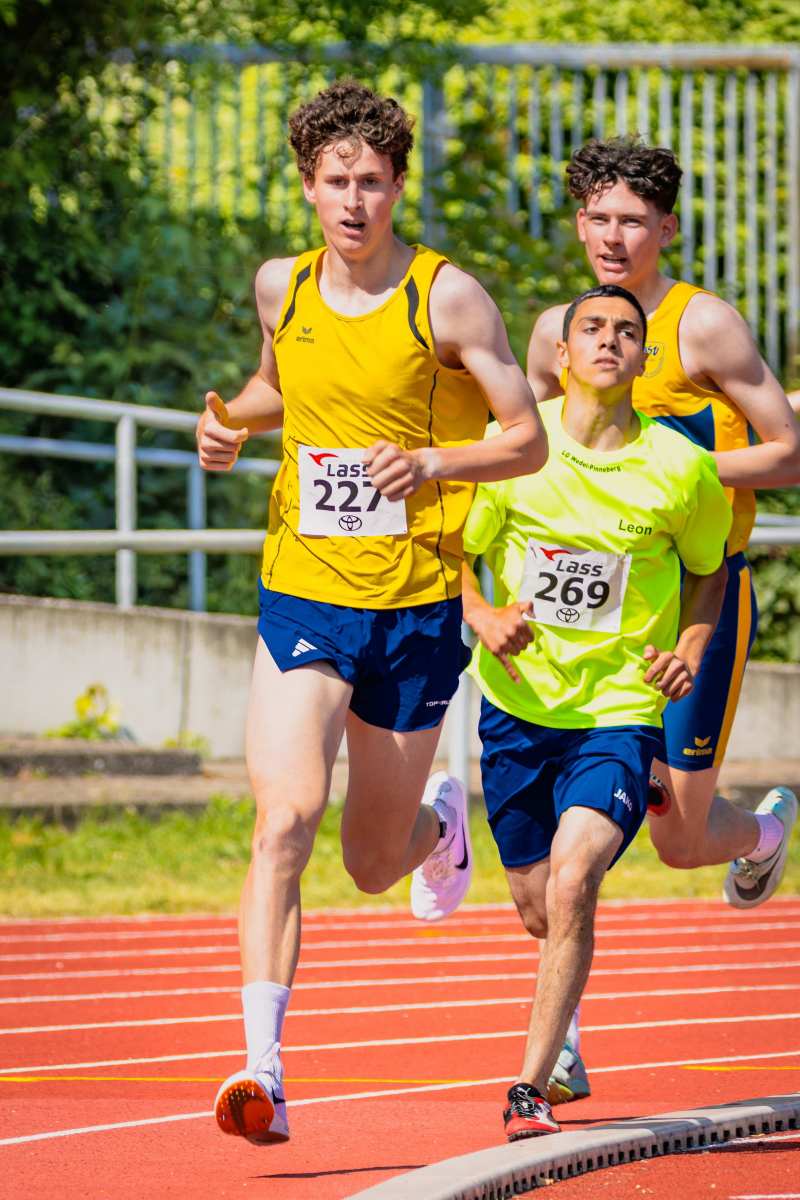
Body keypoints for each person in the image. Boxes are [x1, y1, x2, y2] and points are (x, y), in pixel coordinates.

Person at [194, 80, 547, 1146]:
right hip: (304, 589)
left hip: (414, 605)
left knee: (369, 860)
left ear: (398, 188)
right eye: (337, 181)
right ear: (308, 186)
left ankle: (440, 826)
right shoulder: (282, 286)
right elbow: (279, 389)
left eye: (374, 183)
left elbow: (526, 438)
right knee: (283, 818)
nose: (355, 202)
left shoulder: (447, 299)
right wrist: (228, 421)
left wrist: (433, 461)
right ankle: (261, 1070)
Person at [526, 136, 799, 1105]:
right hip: (582, 613)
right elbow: (529, 454)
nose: (613, 236)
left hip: (694, 599)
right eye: (598, 218)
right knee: (559, 844)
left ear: (666, 228)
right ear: (578, 225)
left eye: (632, 221)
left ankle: (762, 833)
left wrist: (672, 474)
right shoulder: (557, 333)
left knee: (678, 838)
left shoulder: (702, 326)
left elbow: (789, 452)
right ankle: (559, 1044)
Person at [462, 283, 732, 1139]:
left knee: (576, 877)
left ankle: (530, 1087)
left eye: (626, 331)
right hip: (518, 706)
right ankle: (564, 1033)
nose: (609, 340)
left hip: (620, 709)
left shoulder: (681, 467)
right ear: (561, 353)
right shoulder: (514, 448)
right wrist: (483, 613)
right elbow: (448, 552)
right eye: (592, 328)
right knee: (539, 905)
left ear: (643, 359)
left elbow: (710, 572)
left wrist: (690, 651)